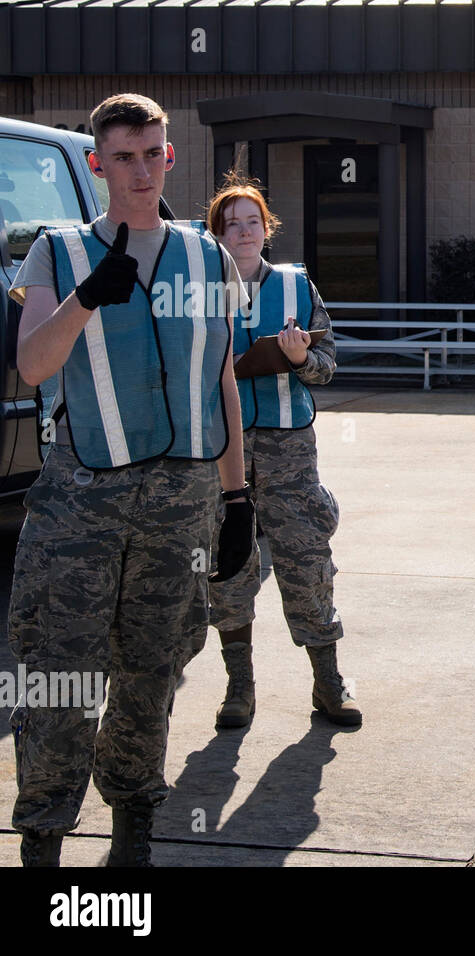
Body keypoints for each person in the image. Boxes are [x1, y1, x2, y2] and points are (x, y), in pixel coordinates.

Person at [6, 93, 254, 867]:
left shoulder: (206, 256)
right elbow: (33, 364)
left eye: (152, 154)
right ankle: (44, 829)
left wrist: (238, 496)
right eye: (123, 156)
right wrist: (86, 298)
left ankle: (133, 817)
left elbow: (221, 381)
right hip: (81, 500)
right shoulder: (58, 251)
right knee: (61, 667)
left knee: (154, 665)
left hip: (182, 502)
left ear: (169, 156)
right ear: (96, 163)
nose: (140, 170)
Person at [203, 173, 361, 729]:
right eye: (231, 223)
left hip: (289, 448)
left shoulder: (297, 287)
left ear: (266, 228)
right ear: (215, 231)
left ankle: (328, 684)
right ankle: (238, 688)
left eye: (252, 222)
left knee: (307, 562)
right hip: (223, 449)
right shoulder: (197, 286)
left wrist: (298, 360)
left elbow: (328, 365)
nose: (243, 232)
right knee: (228, 566)